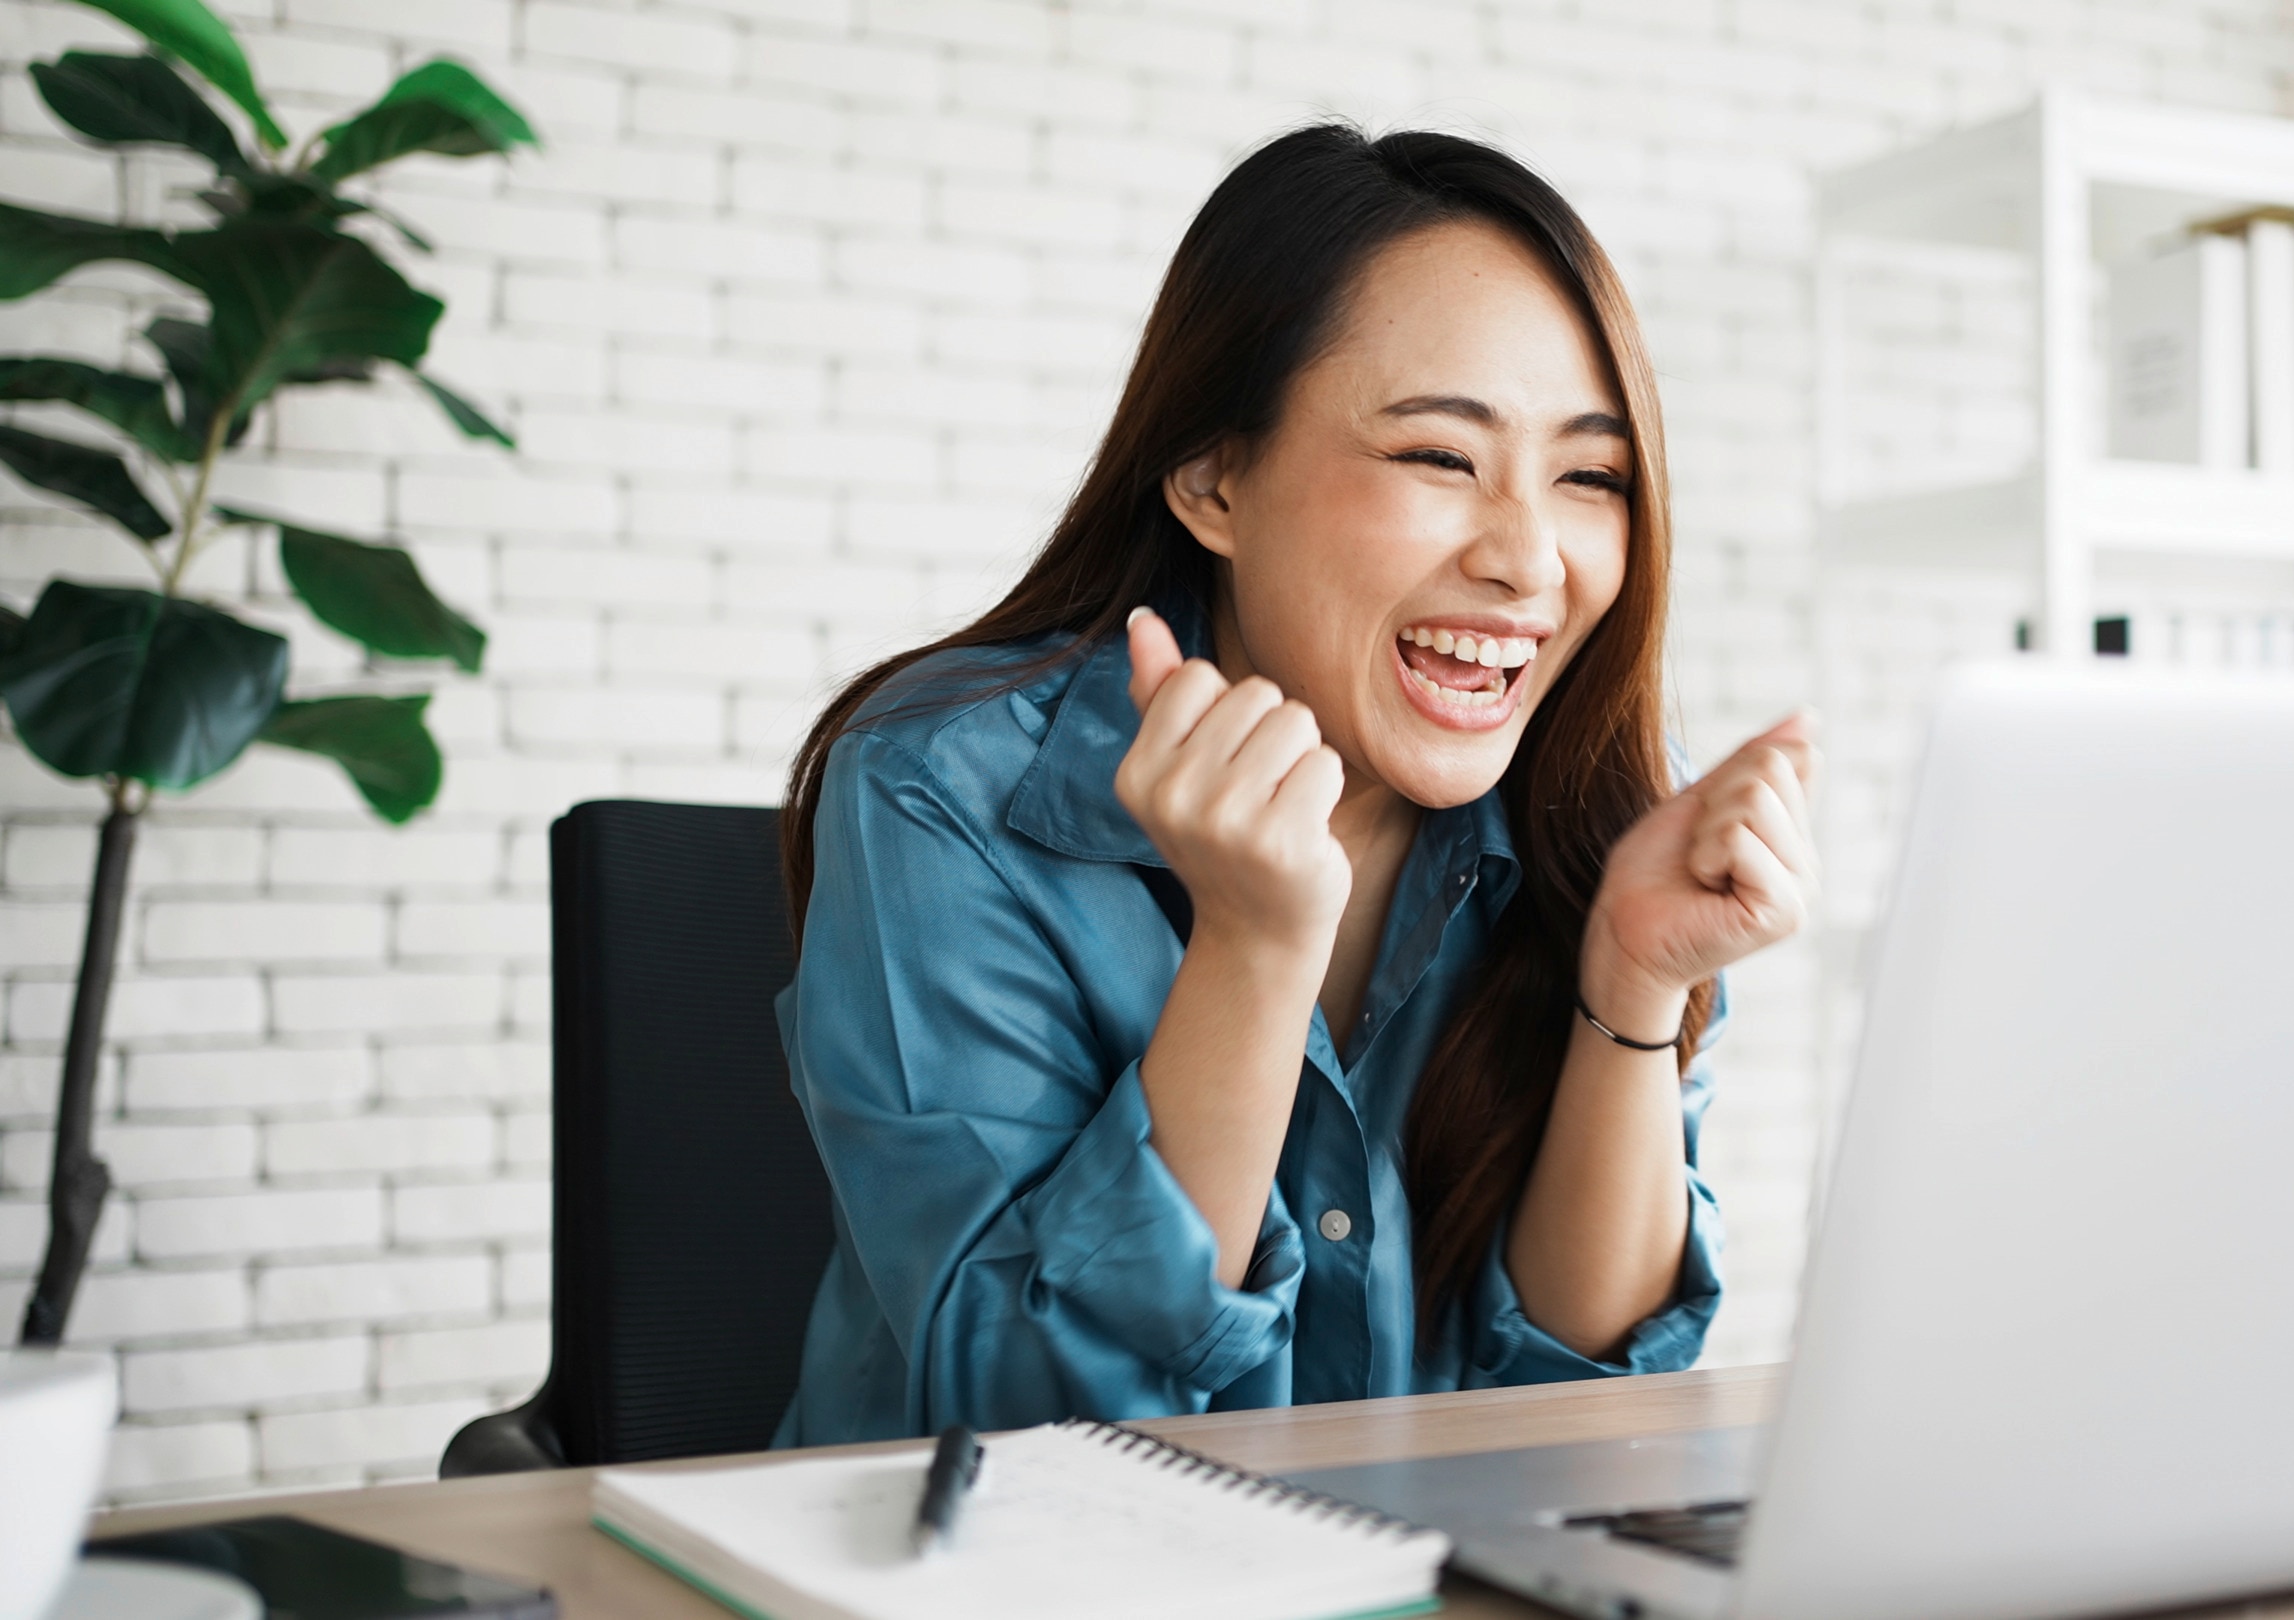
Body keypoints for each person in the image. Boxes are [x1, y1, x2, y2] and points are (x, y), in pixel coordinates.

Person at [772, 123, 1818, 1445]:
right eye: (1442, 458)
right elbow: (1032, 1432)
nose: (1528, 559)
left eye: (1591, 477)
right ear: (1215, 475)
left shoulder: (1589, 823)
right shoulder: (943, 788)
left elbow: (1573, 1425)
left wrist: (1633, 990)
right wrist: (1254, 953)